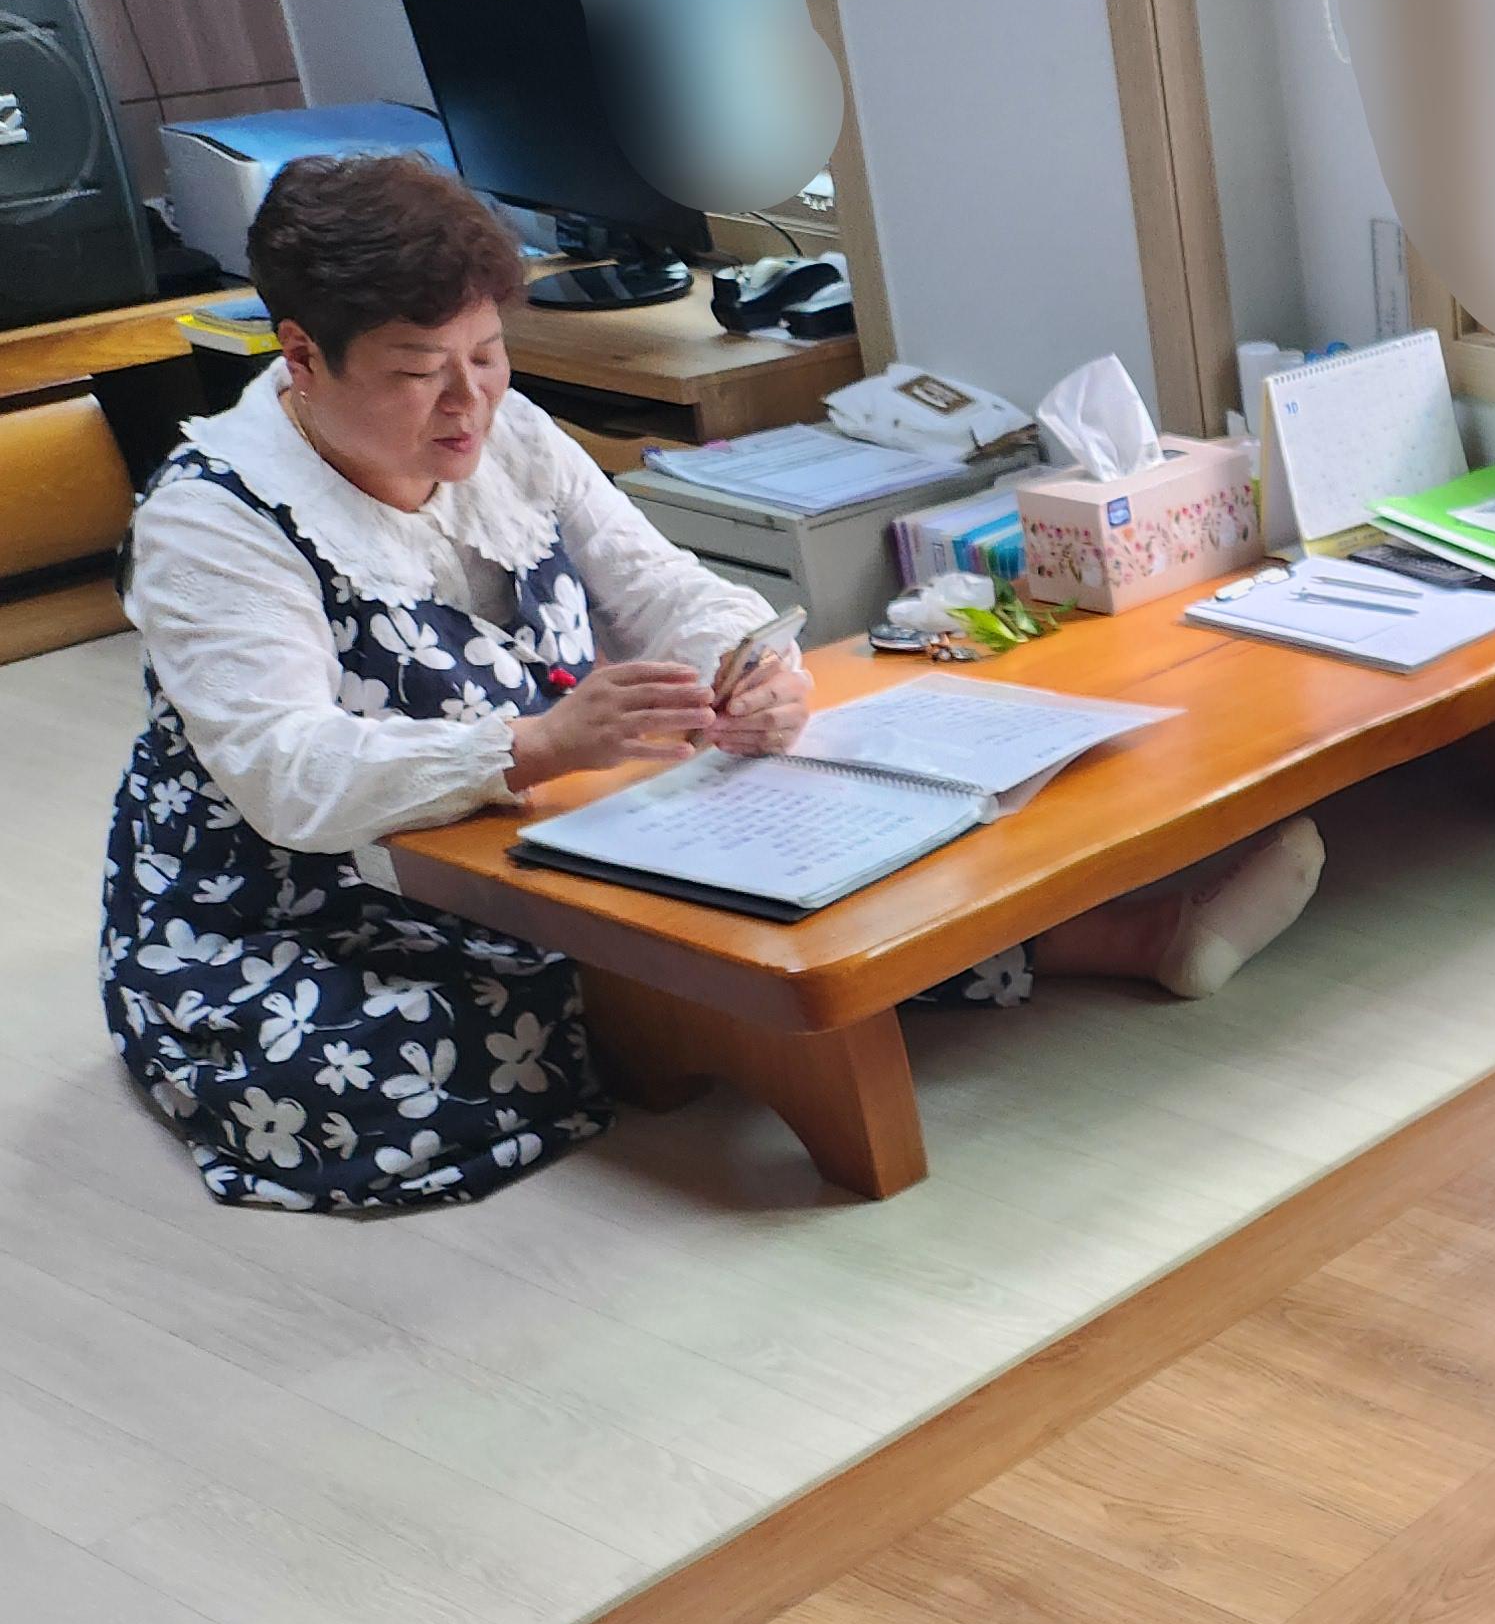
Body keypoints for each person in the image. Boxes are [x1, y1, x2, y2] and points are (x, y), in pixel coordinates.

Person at [102, 152, 1326, 1214]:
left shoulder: (508, 432)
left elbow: (661, 584)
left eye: (488, 353)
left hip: (534, 818)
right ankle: (1079, 949)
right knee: (429, 1061)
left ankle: (1130, 936)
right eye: (422, 371)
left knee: (808, 834)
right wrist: (535, 746)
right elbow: (286, 775)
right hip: (308, 893)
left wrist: (755, 664)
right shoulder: (215, 520)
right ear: (301, 357)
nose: (470, 401)